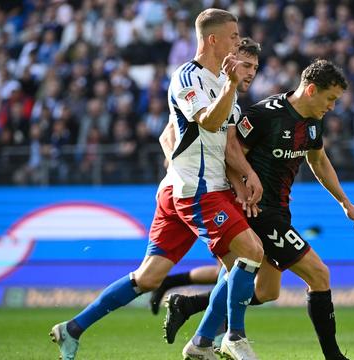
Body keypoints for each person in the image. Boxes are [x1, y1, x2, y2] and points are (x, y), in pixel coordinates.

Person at [49, 9, 264, 360]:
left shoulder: (223, 83)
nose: (237, 42)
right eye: (233, 35)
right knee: (249, 256)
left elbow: (215, 139)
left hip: (178, 186)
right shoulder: (188, 77)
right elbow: (208, 123)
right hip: (198, 190)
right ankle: (223, 338)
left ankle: (72, 329)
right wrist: (227, 87)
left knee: (149, 277)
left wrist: (245, 176)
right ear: (213, 39)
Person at [163, 59, 354, 360]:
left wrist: (345, 203)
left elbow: (319, 161)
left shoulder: (312, 120)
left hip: (280, 210)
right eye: (330, 99)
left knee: (267, 291)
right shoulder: (263, 115)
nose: (333, 107)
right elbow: (231, 154)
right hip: (258, 212)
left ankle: (190, 307)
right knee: (319, 274)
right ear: (311, 90)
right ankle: (333, 356)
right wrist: (243, 188)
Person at [148, 37, 262, 316]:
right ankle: (218, 334)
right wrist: (181, 166)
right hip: (200, 189)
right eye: (245, 64)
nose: (250, 72)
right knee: (242, 267)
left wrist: (242, 180)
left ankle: (203, 326)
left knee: (236, 268)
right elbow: (168, 135)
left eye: (255, 68)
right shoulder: (199, 82)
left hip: (216, 188)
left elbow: (226, 148)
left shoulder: (228, 94)